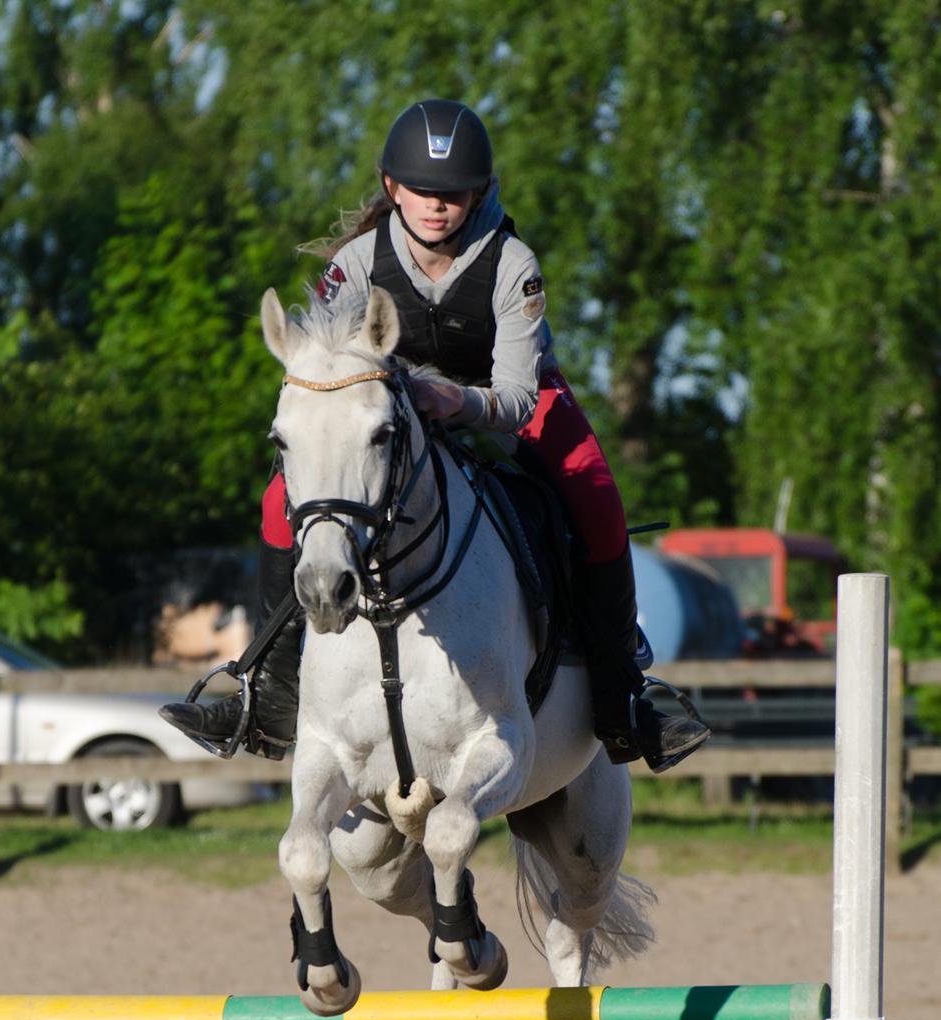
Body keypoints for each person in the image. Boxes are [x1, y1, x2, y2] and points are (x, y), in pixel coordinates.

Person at [162, 99, 709, 771]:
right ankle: (270, 696)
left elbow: (514, 399)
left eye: (452, 193)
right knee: (280, 500)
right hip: (390, 397)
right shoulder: (358, 262)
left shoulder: (513, 264)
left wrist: (452, 398)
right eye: (422, 190)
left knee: (596, 496)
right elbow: (331, 368)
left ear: (477, 191)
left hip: (504, 395)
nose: (437, 205)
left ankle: (624, 696)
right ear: (393, 188)